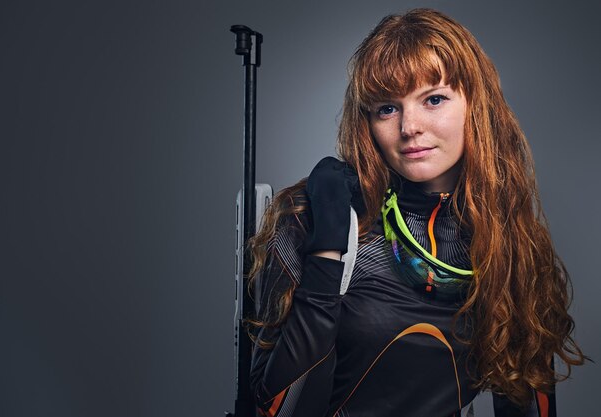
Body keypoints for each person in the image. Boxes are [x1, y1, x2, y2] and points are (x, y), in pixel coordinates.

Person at [246, 8, 585, 417]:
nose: (409, 127)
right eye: (387, 108)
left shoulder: (510, 239)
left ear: (475, 106)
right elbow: (273, 410)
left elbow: (528, 395)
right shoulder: (309, 217)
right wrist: (328, 251)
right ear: (367, 120)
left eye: (434, 99)